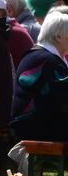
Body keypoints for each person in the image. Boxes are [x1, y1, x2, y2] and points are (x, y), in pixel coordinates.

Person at [11, 9, 68, 142]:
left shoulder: (48, 57)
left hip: (44, 121)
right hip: (34, 126)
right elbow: (60, 93)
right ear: (58, 36)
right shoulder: (42, 58)